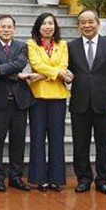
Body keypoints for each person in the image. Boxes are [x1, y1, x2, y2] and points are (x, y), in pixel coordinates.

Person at [68, 9, 106, 196]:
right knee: (80, 144)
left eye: (90, 22)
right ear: (78, 26)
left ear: (98, 24)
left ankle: (103, 180)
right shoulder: (71, 46)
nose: (87, 25)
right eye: (82, 22)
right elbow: (66, 72)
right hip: (79, 103)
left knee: (103, 144)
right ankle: (83, 179)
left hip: (105, 103)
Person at [0, 15, 35, 192]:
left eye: (9, 27)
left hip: (20, 101)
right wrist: (14, 72)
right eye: (3, 27)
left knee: (18, 141)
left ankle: (16, 177)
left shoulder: (22, 46)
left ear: (14, 29)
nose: (6, 30)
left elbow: (19, 64)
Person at [27, 12, 71, 192]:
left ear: (55, 26)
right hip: (38, 97)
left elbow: (64, 64)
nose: (47, 26)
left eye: (51, 23)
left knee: (57, 138)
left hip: (58, 97)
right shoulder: (31, 44)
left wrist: (52, 73)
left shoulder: (63, 44)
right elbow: (37, 64)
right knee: (37, 138)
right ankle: (39, 179)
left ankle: (56, 179)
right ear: (38, 27)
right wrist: (58, 74)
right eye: (44, 23)